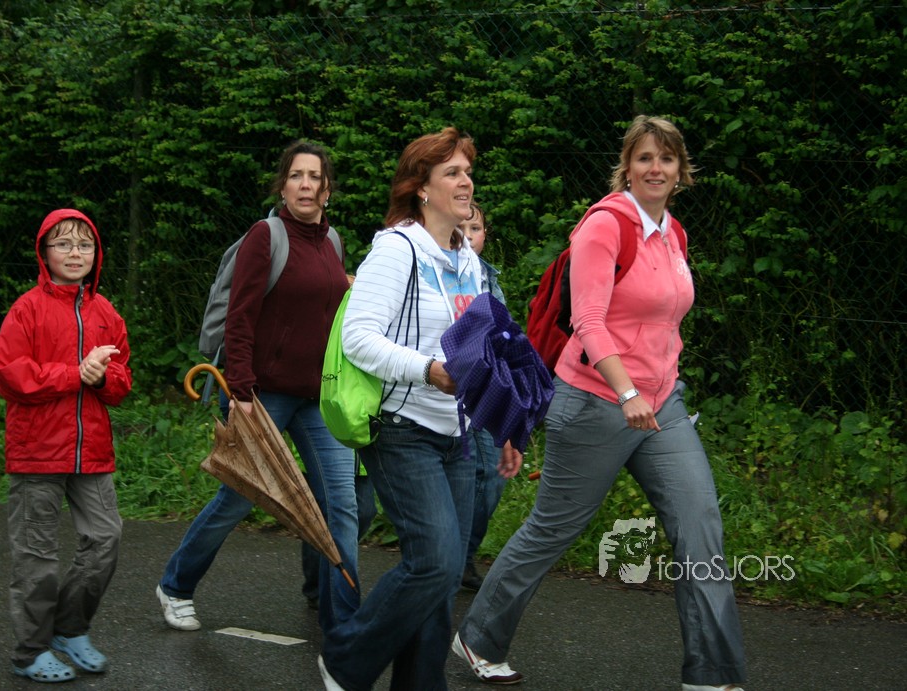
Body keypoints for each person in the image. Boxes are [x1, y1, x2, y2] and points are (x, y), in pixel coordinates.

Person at [453, 115, 747, 690]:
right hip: (595, 401)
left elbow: (663, 323)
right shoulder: (605, 226)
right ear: (627, 167)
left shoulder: (674, 234)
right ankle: (479, 636)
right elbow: (588, 321)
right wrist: (627, 390)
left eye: (666, 158)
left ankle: (713, 673)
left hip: (662, 405)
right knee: (552, 529)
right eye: (644, 158)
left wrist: (656, 385)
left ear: (681, 170)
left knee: (700, 526)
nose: (656, 168)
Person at [317, 127, 523, 691]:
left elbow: (483, 350)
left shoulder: (467, 260)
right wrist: (427, 369)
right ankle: (346, 658)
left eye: (468, 171)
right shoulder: (396, 249)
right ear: (422, 188)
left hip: (457, 434)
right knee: (433, 561)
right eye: (452, 172)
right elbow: (359, 338)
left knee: (445, 573)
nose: (466, 181)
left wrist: (504, 421)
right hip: (401, 428)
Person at [156, 140, 360, 637]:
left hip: (317, 398)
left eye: (315, 177)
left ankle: (344, 619)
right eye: (296, 176)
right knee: (239, 498)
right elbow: (240, 319)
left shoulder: (332, 243)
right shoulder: (265, 237)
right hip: (262, 395)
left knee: (341, 502)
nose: (305, 185)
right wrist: (241, 393)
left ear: (327, 190)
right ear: (282, 186)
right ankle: (176, 586)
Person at [0, 209, 133, 682]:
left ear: (96, 254)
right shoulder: (26, 309)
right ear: (44, 252)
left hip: (90, 452)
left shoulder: (106, 312)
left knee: (106, 540)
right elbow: (13, 377)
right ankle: (30, 651)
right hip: (35, 452)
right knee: (38, 558)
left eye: (84, 245)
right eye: (64, 244)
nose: (75, 253)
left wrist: (101, 378)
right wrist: (77, 373)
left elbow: (121, 382)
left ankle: (70, 629)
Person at [458, 201, 509, 591]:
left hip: (488, 393)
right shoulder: (437, 272)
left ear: (485, 235)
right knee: (463, 476)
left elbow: (505, 340)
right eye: (460, 229)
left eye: (474, 229)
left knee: (493, 477)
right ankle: (450, 556)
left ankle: (464, 554)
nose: (468, 237)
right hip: (449, 392)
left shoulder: (491, 281)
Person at [301, 460, 376, 609]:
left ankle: (332, 582)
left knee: (365, 512)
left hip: (363, 460)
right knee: (322, 520)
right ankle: (317, 589)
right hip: (325, 457)